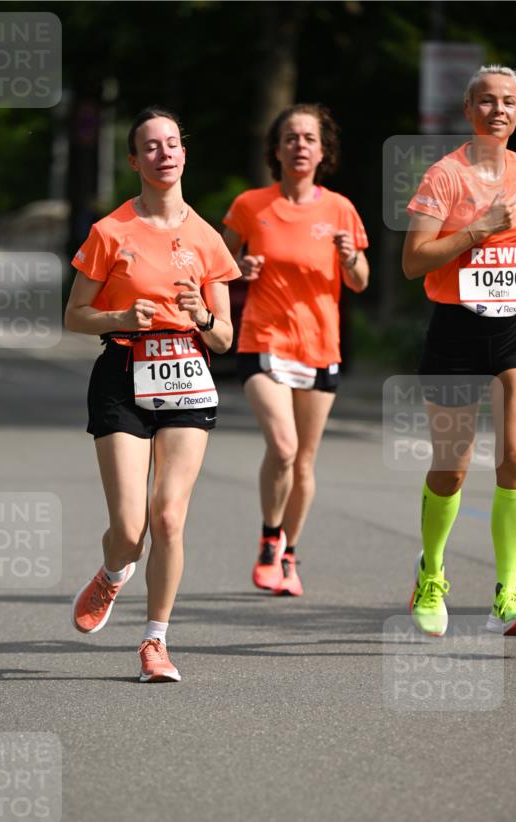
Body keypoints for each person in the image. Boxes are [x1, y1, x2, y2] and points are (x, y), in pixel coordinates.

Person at [64, 107, 240, 681]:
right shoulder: (110, 232)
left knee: (168, 518)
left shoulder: (207, 238)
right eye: (151, 146)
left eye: (172, 143)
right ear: (134, 160)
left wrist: (203, 313)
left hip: (188, 373)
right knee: (131, 529)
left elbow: (226, 337)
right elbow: (74, 316)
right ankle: (114, 572)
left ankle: (155, 642)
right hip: (122, 376)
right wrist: (121, 315)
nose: (165, 153)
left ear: (184, 153)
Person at [403, 65, 516, 637]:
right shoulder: (444, 176)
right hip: (456, 330)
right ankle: (431, 573)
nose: (499, 110)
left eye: (509, 103)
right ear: (469, 110)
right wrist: (478, 229)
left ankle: (508, 590)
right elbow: (414, 260)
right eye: (487, 101)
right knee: (450, 469)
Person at [222, 103, 369, 596]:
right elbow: (217, 268)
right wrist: (238, 270)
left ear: (322, 151)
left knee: (304, 461)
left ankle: (288, 553)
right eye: (291, 137)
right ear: (277, 149)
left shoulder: (340, 209)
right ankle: (268, 538)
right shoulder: (250, 206)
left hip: (320, 346)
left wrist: (351, 259)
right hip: (263, 340)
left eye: (309, 138)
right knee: (282, 447)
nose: (300, 145)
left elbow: (360, 281)